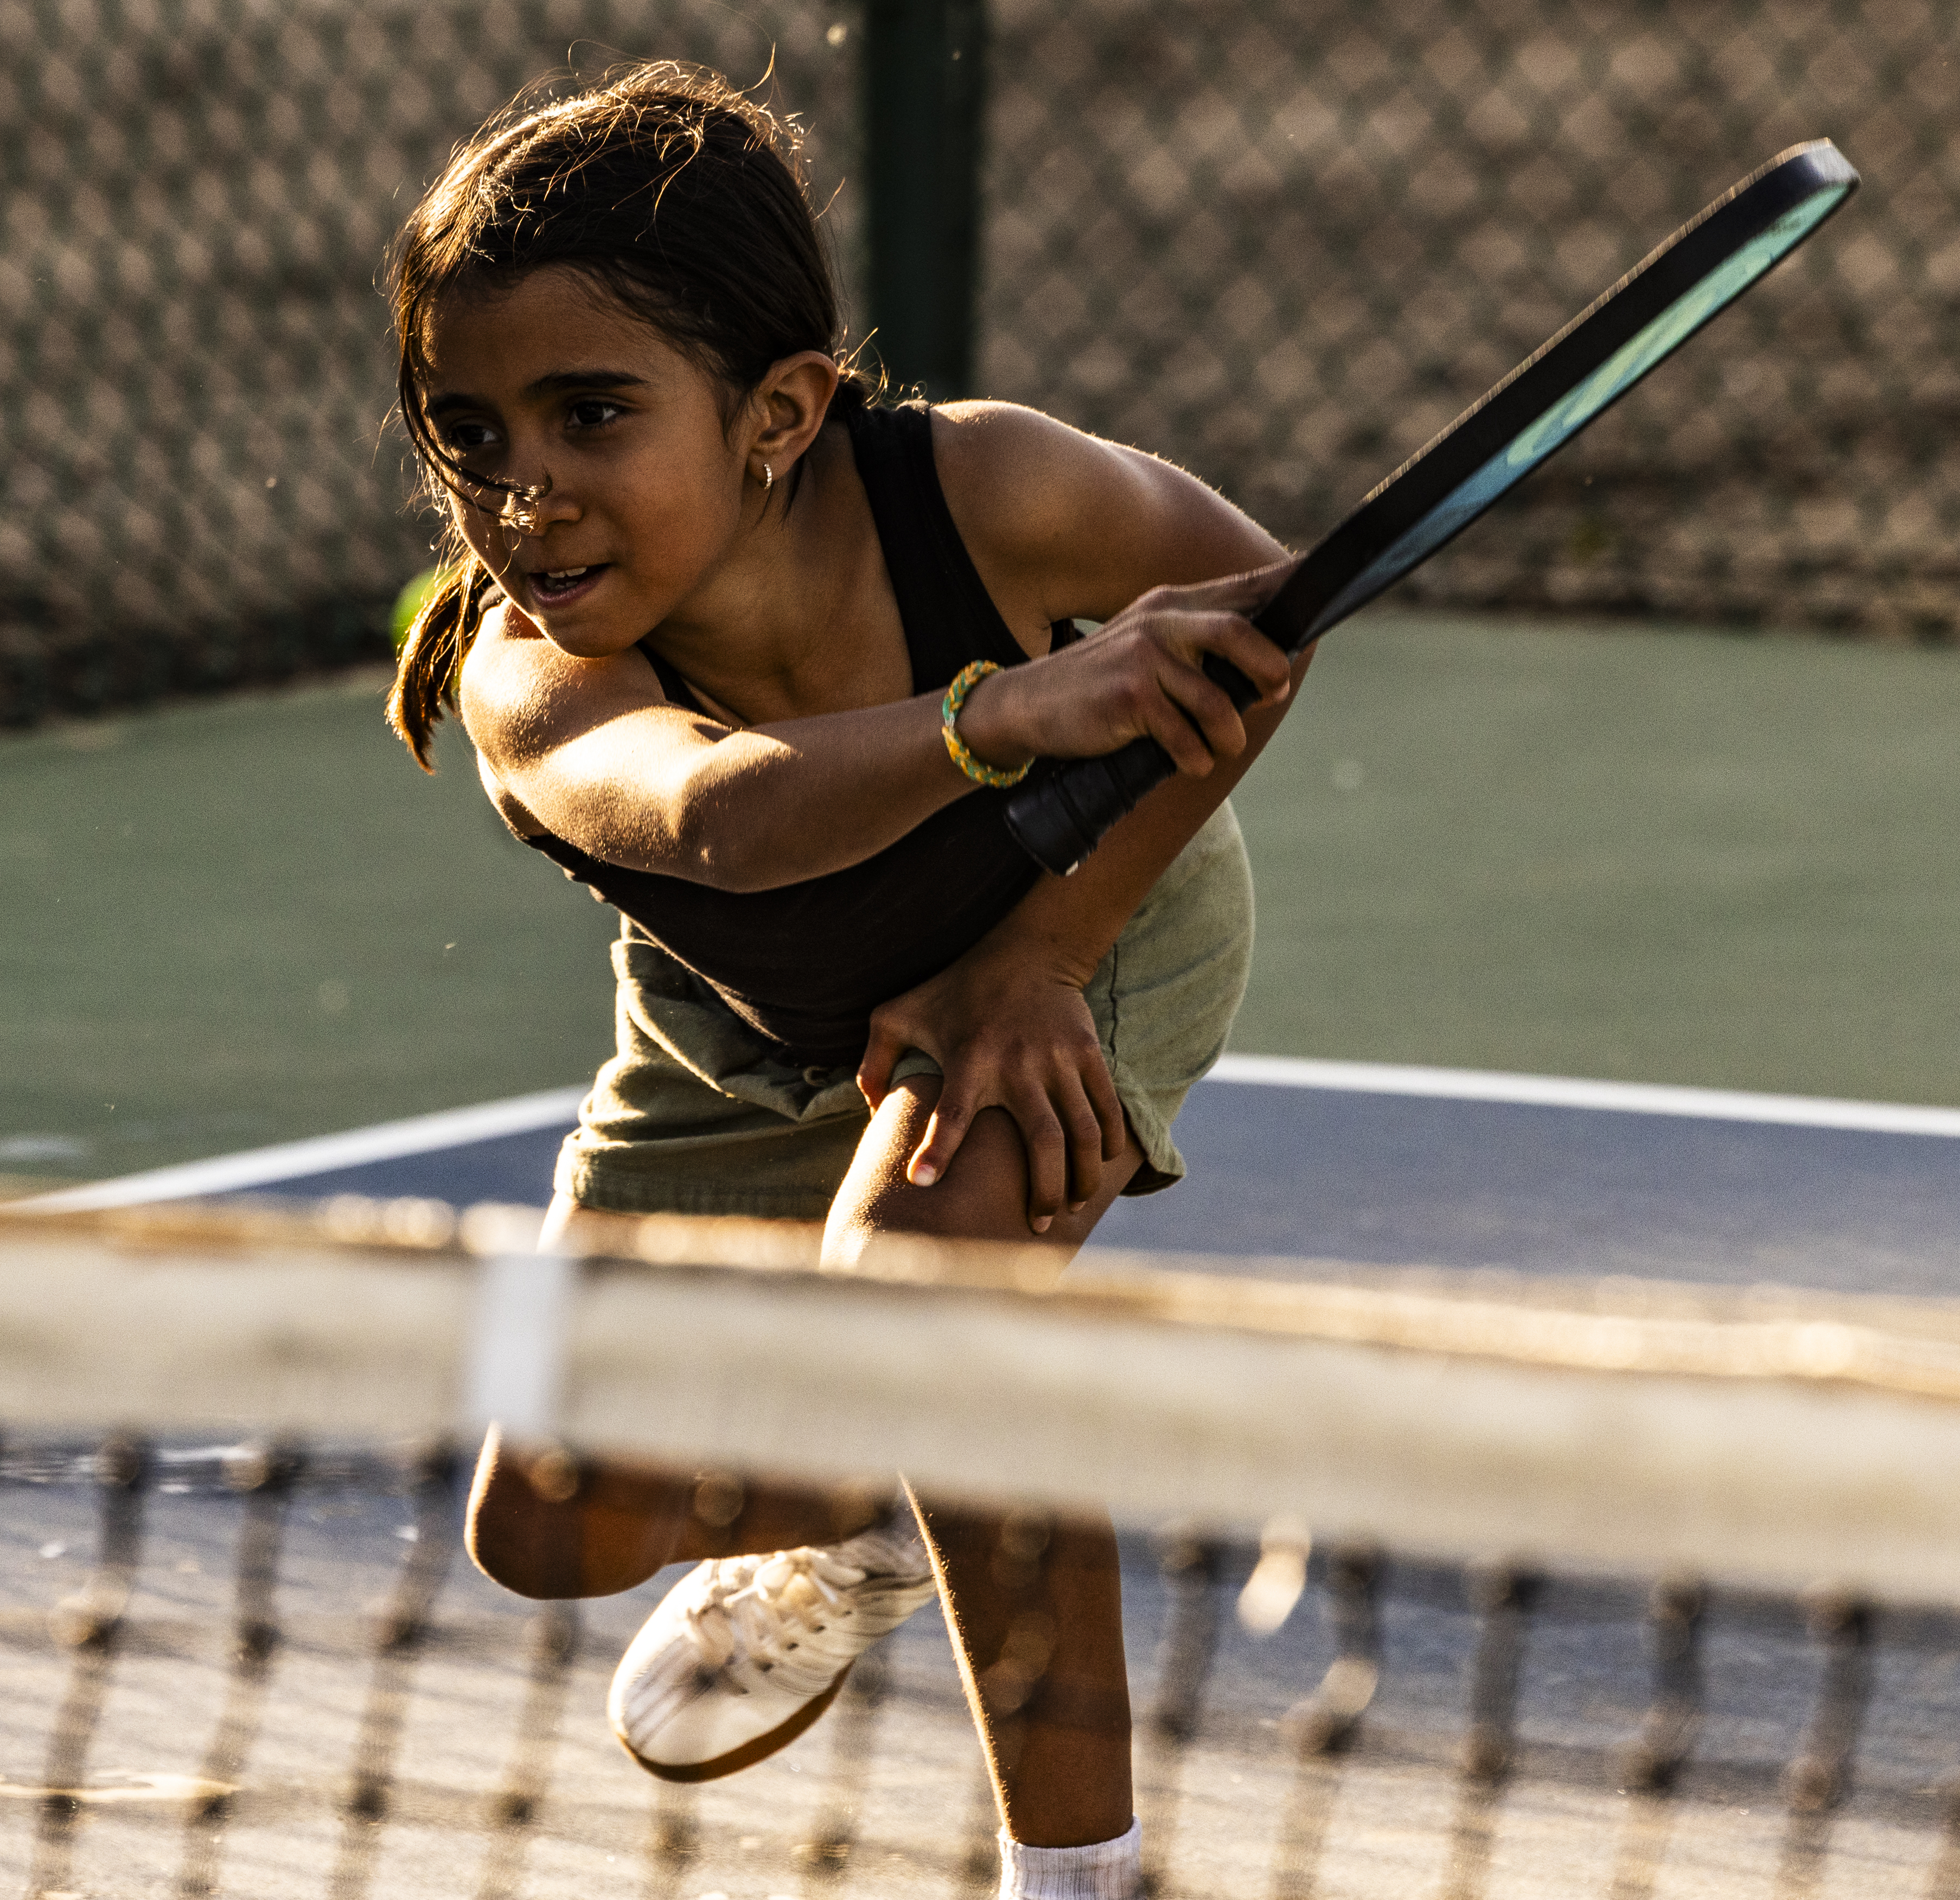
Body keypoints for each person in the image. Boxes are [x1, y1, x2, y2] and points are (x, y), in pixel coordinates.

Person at [383, 63, 1304, 1899]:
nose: (520, 490)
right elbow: (724, 820)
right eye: (465, 431)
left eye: (588, 414)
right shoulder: (523, 682)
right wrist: (1003, 712)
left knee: (925, 1306)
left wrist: (1039, 949)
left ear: (780, 413)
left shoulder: (986, 487)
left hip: (1078, 916)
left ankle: (1081, 1871)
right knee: (550, 1531)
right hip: (745, 1022)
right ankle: (876, 1501)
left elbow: (1260, 605)